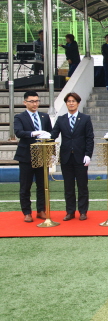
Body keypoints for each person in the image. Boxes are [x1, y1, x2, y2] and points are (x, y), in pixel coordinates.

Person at [50, 92, 94, 221]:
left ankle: (83, 211)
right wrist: (44, 137)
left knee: (82, 186)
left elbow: (89, 138)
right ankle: (70, 211)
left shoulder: (85, 118)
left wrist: (88, 155)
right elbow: (54, 134)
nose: (71, 103)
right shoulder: (61, 119)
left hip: (81, 158)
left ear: (78, 103)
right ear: (66, 103)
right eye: (69, 101)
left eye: (73, 101)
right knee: (68, 187)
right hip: (66, 158)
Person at [13, 90, 52, 222]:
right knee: (25, 185)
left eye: (37, 101)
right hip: (26, 156)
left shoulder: (44, 117)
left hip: (42, 155)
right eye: (32, 101)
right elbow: (19, 132)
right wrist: (34, 133)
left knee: (42, 185)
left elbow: (50, 134)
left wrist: (50, 152)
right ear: (25, 102)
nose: (35, 104)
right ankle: (27, 212)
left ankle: (41, 210)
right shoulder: (19, 117)